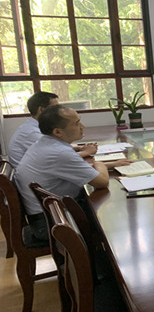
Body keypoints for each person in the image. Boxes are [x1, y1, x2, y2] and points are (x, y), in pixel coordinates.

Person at [15, 105, 131, 242]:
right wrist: (99, 164)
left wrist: (109, 165)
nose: (82, 126)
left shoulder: (45, 143)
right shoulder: (60, 152)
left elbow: (73, 168)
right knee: (115, 214)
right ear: (58, 132)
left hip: (48, 214)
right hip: (51, 223)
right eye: (76, 123)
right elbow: (102, 182)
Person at [8, 91, 97, 167]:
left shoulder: (34, 126)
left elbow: (57, 150)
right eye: (55, 108)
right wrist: (86, 152)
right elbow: (59, 157)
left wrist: (79, 148)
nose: (58, 110)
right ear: (41, 110)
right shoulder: (32, 133)